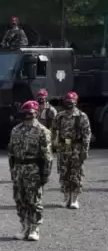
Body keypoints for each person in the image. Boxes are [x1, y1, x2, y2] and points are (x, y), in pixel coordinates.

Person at [8, 100, 52, 241]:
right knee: (20, 199)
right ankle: (24, 226)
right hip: (19, 169)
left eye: (30, 113)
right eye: (25, 113)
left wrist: (44, 175)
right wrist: (12, 170)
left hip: (33, 169)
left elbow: (47, 157)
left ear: (36, 113)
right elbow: (11, 153)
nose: (27, 116)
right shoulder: (16, 130)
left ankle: (34, 228)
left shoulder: (42, 131)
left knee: (34, 200)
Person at [51, 91, 91, 209]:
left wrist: (85, 150)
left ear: (76, 102)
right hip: (63, 148)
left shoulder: (82, 116)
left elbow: (87, 135)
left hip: (76, 149)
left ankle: (74, 199)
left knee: (76, 174)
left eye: (72, 102)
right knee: (64, 173)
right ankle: (66, 198)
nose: (69, 104)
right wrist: (53, 143)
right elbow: (53, 129)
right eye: (67, 101)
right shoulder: (60, 116)